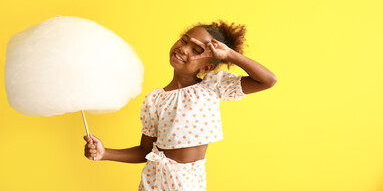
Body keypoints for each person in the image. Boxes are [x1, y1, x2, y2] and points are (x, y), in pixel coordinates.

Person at [83, 20, 277, 190]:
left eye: (197, 49)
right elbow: (145, 151)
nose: (184, 49)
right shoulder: (154, 99)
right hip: (154, 180)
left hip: (188, 182)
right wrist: (105, 153)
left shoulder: (214, 86)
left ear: (207, 67)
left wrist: (230, 55)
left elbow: (268, 80)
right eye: (184, 40)